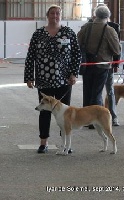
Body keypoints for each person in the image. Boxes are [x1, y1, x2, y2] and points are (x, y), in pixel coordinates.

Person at [24, 4, 81, 153]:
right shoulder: (38, 34)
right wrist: (29, 77)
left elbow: (77, 55)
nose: (55, 16)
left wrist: (74, 74)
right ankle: (44, 143)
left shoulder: (69, 32)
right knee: (44, 112)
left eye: (57, 13)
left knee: (65, 114)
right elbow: (30, 57)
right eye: (52, 13)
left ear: (61, 16)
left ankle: (66, 145)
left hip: (64, 80)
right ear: (47, 15)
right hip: (44, 79)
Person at [77, 5, 121, 129]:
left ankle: (85, 120)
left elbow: (78, 42)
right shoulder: (109, 30)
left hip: (86, 64)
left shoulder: (86, 27)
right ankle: (94, 120)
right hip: (102, 65)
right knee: (97, 93)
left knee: (87, 91)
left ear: (95, 15)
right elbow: (116, 49)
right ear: (107, 16)